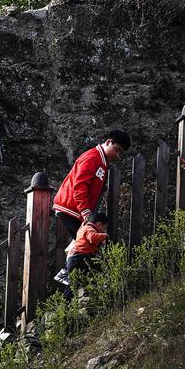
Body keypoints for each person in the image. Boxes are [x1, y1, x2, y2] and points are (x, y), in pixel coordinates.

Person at [52, 128, 129, 283]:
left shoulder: (101, 161)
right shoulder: (92, 157)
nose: (117, 155)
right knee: (87, 245)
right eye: (117, 150)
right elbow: (79, 186)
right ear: (108, 142)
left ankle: (75, 281)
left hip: (75, 210)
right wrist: (87, 213)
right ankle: (70, 276)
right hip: (71, 209)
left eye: (121, 153)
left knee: (83, 247)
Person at [62, 212, 109, 300]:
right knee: (97, 269)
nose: (104, 230)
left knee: (72, 283)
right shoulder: (89, 229)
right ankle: (94, 291)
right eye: (104, 228)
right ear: (99, 224)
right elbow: (92, 238)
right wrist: (104, 236)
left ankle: (66, 303)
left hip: (73, 259)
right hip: (80, 257)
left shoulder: (82, 228)